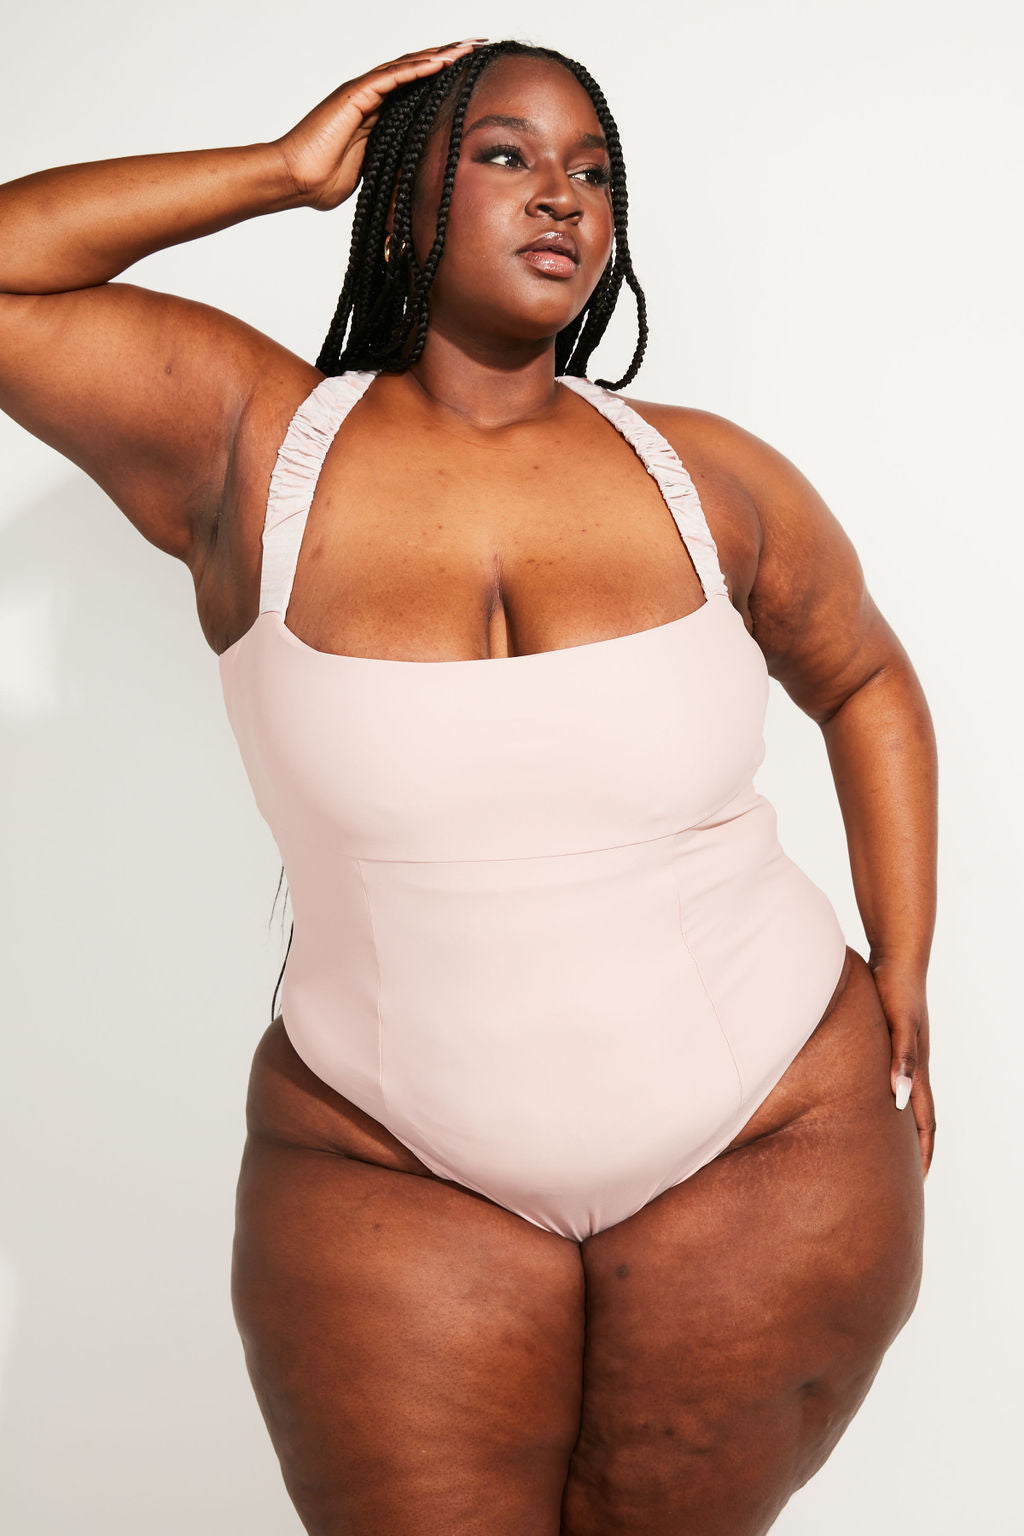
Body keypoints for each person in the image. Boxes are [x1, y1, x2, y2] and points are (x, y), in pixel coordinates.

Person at [0, 35, 936, 1536]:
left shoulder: (712, 479)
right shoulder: (255, 451)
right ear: (403, 198)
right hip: (386, 1159)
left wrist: (906, 966)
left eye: (593, 171)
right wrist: (279, 171)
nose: (562, 194)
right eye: (505, 154)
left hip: (768, 1139)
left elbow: (868, 680)